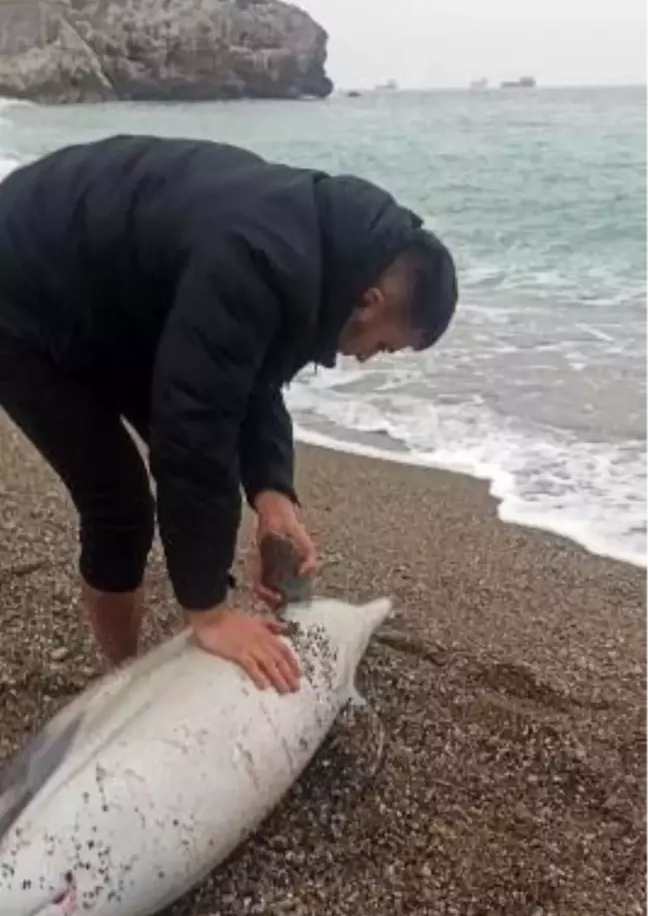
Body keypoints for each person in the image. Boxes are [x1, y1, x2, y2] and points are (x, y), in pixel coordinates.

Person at [0, 135, 458, 692]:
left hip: (114, 298)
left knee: (192, 420)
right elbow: (195, 431)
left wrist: (273, 495)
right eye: (382, 347)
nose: (364, 358)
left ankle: (136, 662)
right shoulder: (258, 259)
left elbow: (251, 375)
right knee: (118, 505)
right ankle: (117, 683)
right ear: (370, 302)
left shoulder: (324, 254)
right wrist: (208, 612)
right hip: (22, 289)